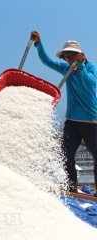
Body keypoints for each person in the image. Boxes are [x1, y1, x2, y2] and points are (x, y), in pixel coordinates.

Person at [31, 30, 97, 195]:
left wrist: (80, 67)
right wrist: (39, 44)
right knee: (66, 153)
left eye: (70, 56)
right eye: (65, 57)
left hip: (90, 120)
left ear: (78, 56)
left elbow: (90, 85)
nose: (67, 60)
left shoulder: (89, 67)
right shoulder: (65, 69)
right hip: (72, 121)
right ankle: (72, 185)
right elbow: (46, 61)